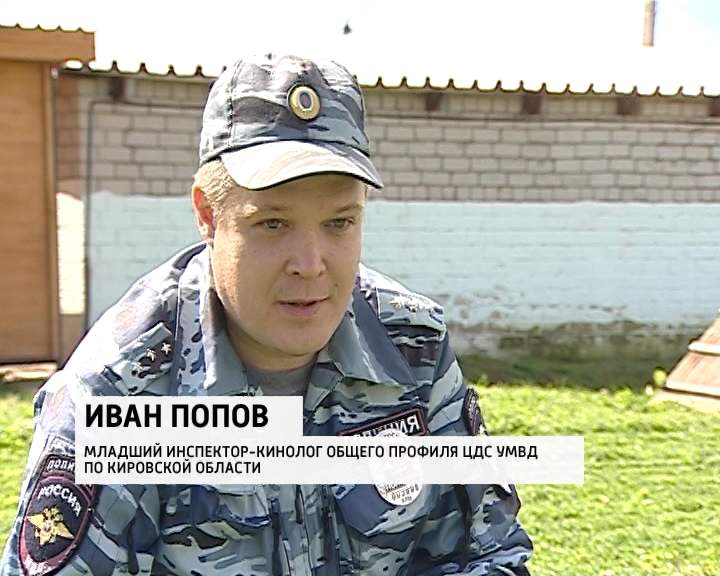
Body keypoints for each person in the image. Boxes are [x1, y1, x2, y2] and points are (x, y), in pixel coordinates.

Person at [1, 54, 532, 576]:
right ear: (208, 216)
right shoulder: (119, 393)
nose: (310, 265)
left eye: (339, 223)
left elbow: (487, 553)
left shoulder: (412, 348)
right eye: (273, 224)